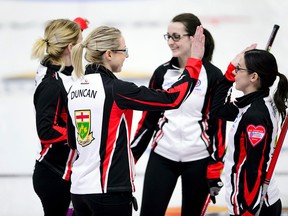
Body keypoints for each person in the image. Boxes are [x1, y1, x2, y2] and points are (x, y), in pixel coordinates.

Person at [66, 25, 205, 216]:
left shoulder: (74, 89)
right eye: (124, 51)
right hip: (110, 191)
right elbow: (172, 99)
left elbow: (74, 141)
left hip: (79, 191)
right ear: (108, 54)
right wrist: (194, 61)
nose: (126, 56)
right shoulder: (116, 89)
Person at [130, 13, 226, 216]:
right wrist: (129, 158)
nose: (171, 42)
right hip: (163, 156)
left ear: (194, 37)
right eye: (168, 36)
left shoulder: (214, 76)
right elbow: (148, 122)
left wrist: (215, 165)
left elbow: (219, 125)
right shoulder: (161, 74)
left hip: (198, 159)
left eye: (176, 36)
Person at [211, 44, 287, 215]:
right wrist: (230, 70)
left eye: (238, 69)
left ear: (253, 77)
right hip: (248, 202)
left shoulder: (256, 115)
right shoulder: (250, 104)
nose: (234, 73)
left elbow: (254, 168)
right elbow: (217, 110)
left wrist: (248, 210)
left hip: (253, 206)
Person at [31, 18, 83, 216]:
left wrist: (77, 26)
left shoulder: (54, 66)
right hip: (54, 174)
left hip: (64, 171)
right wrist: (80, 135)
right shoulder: (51, 85)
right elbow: (46, 131)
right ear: (70, 47)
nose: (84, 48)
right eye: (81, 43)